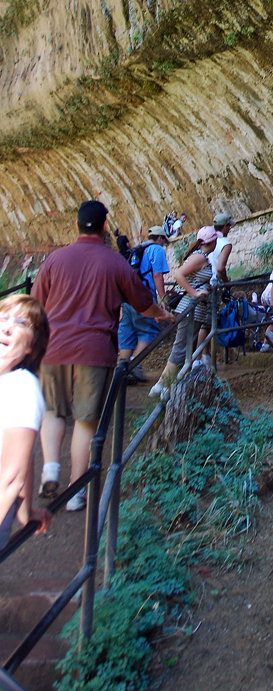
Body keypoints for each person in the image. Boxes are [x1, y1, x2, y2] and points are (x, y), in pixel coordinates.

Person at [32, 200, 171, 511]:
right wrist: (160, 314)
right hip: (94, 351)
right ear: (105, 227)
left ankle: (50, 468)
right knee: (85, 421)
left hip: (53, 348)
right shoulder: (114, 262)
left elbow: (35, 305)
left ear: (78, 225)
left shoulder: (54, 260)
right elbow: (142, 302)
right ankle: (75, 491)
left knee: (53, 411)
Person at [0, 294, 52, 549]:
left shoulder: (21, 387)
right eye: (3, 316)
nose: (7, 326)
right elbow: (25, 455)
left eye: (21, 322)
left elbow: (11, 476)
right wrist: (25, 512)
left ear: (32, 345)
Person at [149, 227, 218, 400]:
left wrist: (204, 288)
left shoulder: (200, 257)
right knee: (181, 348)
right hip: (189, 309)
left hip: (194, 310)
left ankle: (164, 385)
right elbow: (179, 275)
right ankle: (163, 386)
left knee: (185, 347)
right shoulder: (199, 257)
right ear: (212, 241)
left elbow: (193, 279)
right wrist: (195, 294)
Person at [117, 225, 171, 384]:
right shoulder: (157, 250)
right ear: (160, 238)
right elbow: (157, 275)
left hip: (126, 298)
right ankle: (134, 365)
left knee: (128, 333)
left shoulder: (136, 250)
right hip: (143, 297)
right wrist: (163, 299)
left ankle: (122, 371)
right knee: (150, 331)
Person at [211, 213, 234, 285]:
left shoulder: (208, 240)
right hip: (214, 282)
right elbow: (220, 268)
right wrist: (226, 282)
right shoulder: (226, 244)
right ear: (225, 226)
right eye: (229, 226)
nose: (229, 229)